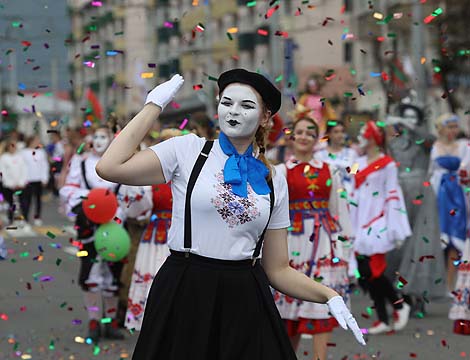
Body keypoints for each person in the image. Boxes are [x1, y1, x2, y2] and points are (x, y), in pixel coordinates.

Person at [96, 69, 365, 359]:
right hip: (186, 289)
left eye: (247, 106)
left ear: (265, 117)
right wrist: (153, 105)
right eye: (227, 102)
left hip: (245, 296)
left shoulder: (274, 178)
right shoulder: (188, 150)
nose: (234, 112)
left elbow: (277, 269)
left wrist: (328, 295)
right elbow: (109, 167)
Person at [273, 115, 353, 360]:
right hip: (292, 243)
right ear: (292, 136)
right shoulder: (280, 172)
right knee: (289, 315)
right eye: (300, 132)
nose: (304, 136)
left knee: (321, 308)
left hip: (323, 246)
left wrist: (345, 250)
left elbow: (339, 210)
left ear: (317, 139)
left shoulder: (330, 170)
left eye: (310, 132)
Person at [59, 125, 126, 343]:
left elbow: (130, 193)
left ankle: (110, 322)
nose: (99, 140)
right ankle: (94, 321)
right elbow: (68, 189)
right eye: (95, 136)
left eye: (103, 136)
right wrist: (91, 200)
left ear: (111, 139)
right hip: (88, 226)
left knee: (114, 274)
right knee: (89, 274)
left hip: (115, 227)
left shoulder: (121, 162)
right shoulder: (81, 162)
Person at [350, 121, 412, 334]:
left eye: (364, 134)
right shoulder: (356, 161)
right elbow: (351, 189)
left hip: (378, 220)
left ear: (373, 138)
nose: (361, 137)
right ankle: (384, 318)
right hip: (359, 221)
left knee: (375, 270)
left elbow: (393, 194)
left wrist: (394, 225)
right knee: (366, 273)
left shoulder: (388, 164)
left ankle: (399, 305)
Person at [385, 103, 446, 316]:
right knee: (398, 244)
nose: (409, 122)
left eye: (413, 118)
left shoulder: (424, 141)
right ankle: (401, 294)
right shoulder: (394, 143)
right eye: (405, 118)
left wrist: (408, 124)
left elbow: (430, 139)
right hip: (399, 194)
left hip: (421, 194)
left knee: (421, 243)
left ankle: (419, 293)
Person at [125, 128, 182, 331]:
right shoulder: (153, 177)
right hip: (156, 237)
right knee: (152, 277)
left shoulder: (194, 175)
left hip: (184, 238)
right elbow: (136, 210)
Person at [429, 113, 470, 294]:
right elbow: (431, 173)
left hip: (458, 195)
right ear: (441, 128)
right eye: (449, 126)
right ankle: (440, 282)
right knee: (440, 238)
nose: (453, 130)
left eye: (455, 126)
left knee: (456, 239)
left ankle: (452, 284)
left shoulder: (463, 146)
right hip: (440, 195)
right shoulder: (434, 147)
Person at [315, 120, 358, 195]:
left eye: (342, 131)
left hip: (348, 194)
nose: (340, 135)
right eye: (336, 132)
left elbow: (355, 176)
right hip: (327, 193)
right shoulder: (319, 156)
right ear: (328, 134)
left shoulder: (352, 154)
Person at [20, 135, 50, 226]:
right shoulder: (23, 152)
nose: (37, 143)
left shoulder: (41, 152)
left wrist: (45, 178)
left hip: (38, 179)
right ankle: (25, 218)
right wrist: (21, 179)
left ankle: (37, 217)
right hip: (27, 179)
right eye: (36, 141)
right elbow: (21, 166)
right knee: (26, 200)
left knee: (38, 200)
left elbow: (45, 165)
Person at [298, 74, 337, 141]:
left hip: (321, 126)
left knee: (321, 142)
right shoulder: (304, 98)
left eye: (314, 86)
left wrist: (333, 122)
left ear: (318, 86)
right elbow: (299, 111)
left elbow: (329, 112)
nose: (313, 88)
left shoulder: (322, 98)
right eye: (311, 86)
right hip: (308, 125)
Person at [0, 138, 28, 225]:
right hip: (9, 186)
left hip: (20, 185)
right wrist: (10, 183)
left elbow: (24, 170)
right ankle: (10, 218)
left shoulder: (20, 157)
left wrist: (21, 182)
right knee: (10, 203)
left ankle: (24, 218)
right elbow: (2, 172)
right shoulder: (4, 158)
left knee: (23, 202)